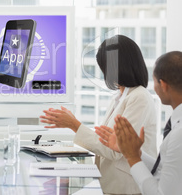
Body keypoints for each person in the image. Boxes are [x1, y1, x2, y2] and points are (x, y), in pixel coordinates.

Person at [39, 35, 157, 194]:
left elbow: (114, 150)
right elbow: (106, 146)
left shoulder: (139, 97)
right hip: (112, 187)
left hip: (129, 189)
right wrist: (71, 180)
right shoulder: (120, 97)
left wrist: (74, 124)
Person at [96, 51, 182, 195]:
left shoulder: (178, 135)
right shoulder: (176, 125)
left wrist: (132, 157)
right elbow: (164, 169)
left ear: (163, 85)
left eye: (154, 81)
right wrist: (136, 153)